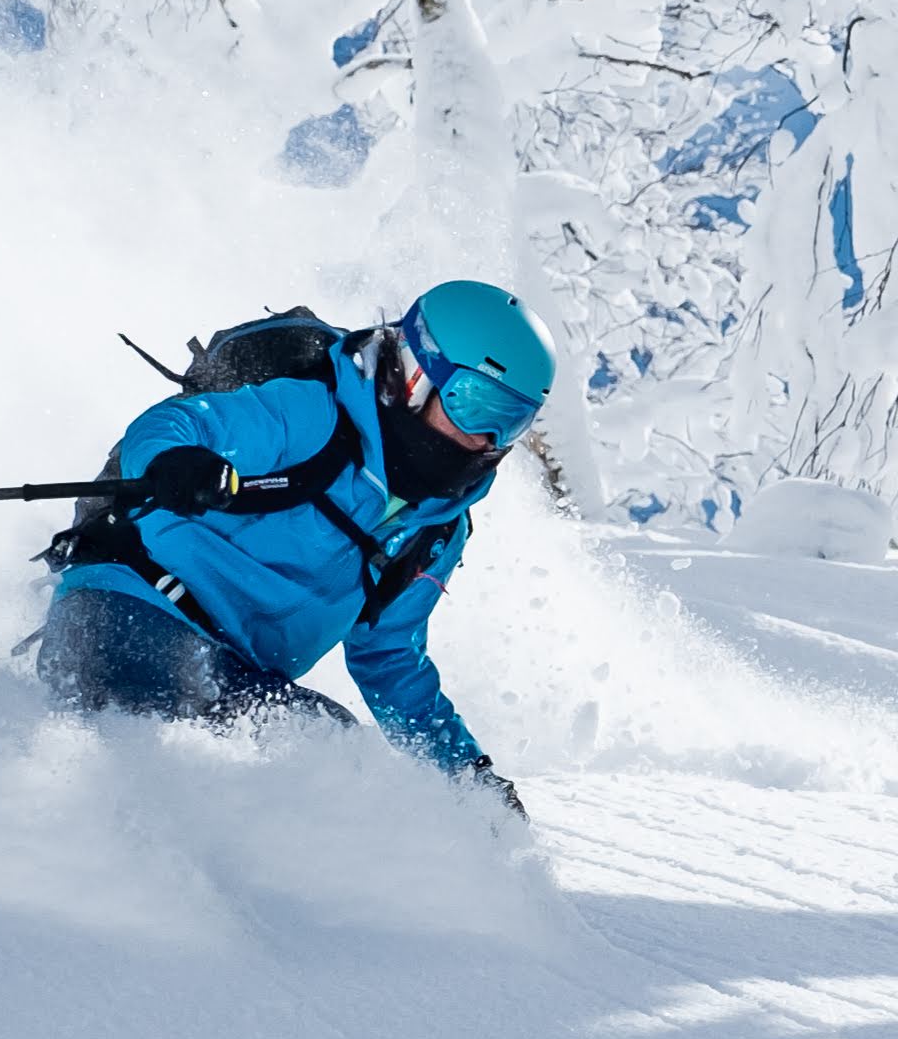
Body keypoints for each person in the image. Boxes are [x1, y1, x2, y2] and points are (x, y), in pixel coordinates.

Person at [33, 279, 556, 811]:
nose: (487, 438)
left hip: (235, 674)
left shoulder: (435, 531)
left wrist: (466, 775)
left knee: (344, 766)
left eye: (511, 419)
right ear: (418, 374)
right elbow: (179, 424)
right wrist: (174, 461)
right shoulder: (316, 414)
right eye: (476, 403)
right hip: (130, 610)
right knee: (194, 764)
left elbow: (390, 658)